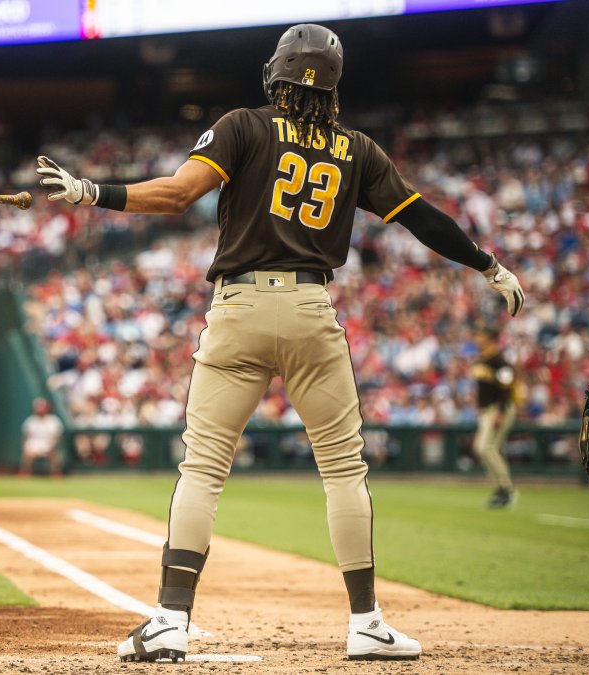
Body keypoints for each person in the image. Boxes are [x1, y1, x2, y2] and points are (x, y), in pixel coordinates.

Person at [37, 23, 524, 663]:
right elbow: (422, 218)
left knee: (203, 468)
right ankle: (366, 622)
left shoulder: (244, 125)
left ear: (277, 75)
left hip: (238, 307)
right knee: (344, 468)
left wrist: (92, 191)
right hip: (309, 307)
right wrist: (488, 265)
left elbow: (179, 193)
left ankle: (169, 619)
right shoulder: (359, 150)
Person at [471, 327, 517, 508]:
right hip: (487, 410)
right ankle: (501, 489)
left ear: (490, 338)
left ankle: (507, 490)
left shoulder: (499, 360)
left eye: (481, 335)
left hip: (499, 409)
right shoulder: (483, 358)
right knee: (484, 448)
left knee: (485, 447)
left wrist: (501, 412)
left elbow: (507, 386)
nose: (478, 338)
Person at [20, 398, 64, 478]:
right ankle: (25, 473)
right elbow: (25, 437)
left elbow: (58, 437)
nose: (40, 410)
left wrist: (53, 446)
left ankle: (56, 474)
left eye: (42, 408)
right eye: (38, 408)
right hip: (33, 445)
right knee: (28, 454)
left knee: (55, 456)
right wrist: (26, 447)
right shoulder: (30, 421)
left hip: (49, 445)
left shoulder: (53, 420)